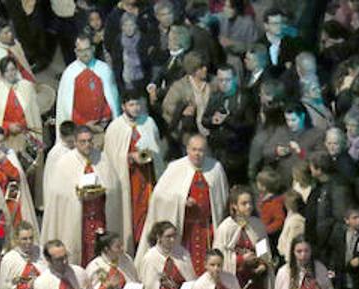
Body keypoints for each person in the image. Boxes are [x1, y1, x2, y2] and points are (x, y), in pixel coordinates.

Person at [135, 133, 228, 275]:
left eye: (201, 150)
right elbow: (159, 196)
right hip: (184, 230)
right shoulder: (175, 167)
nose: (197, 154)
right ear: (187, 149)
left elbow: (222, 199)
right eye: (194, 150)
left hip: (207, 230)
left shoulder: (216, 168)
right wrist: (181, 201)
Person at [42, 125, 126, 267]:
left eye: (89, 141)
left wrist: (103, 191)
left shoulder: (102, 158)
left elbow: (114, 186)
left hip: (100, 217)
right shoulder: (65, 162)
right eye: (83, 142)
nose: (87, 145)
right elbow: (59, 194)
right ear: (75, 142)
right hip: (78, 220)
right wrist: (77, 195)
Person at [103, 93, 164, 248]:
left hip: (147, 177)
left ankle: (147, 244)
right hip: (128, 179)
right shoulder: (115, 127)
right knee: (130, 214)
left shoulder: (149, 122)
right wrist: (129, 157)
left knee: (147, 211)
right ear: (123, 106)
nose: (135, 108)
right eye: (131, 105)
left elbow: (157, 149)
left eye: (137, 104)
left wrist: (151, 154)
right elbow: (110, 158)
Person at [55, 34, 120, 131]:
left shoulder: (104, 69)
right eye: (81, 51)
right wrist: (85, 123)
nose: (85, 54)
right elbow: (66, 107)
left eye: (87, 49)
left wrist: (104, 119)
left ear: (93, 49)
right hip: (79, 129)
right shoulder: (69, 74)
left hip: (104, 126)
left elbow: (112, 100)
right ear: (76, 52)